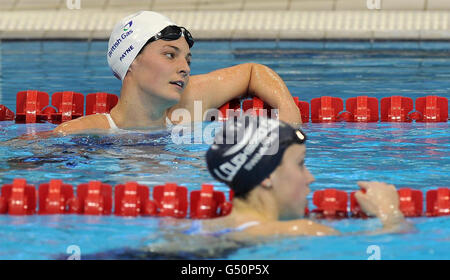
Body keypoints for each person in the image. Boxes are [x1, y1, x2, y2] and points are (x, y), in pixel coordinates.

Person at [53, 11, 301, 135]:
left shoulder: (190, 106)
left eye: (187, 58)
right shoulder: (88, 131)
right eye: (170, 55)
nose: (185, 68)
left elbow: (252, 72)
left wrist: (289, 116)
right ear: (131, 61)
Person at [180, 115, 411, 238]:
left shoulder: (196, 229)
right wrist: (390, 214)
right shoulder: (303, 231)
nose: (310, 178)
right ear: (266, 176)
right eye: (300, 164)